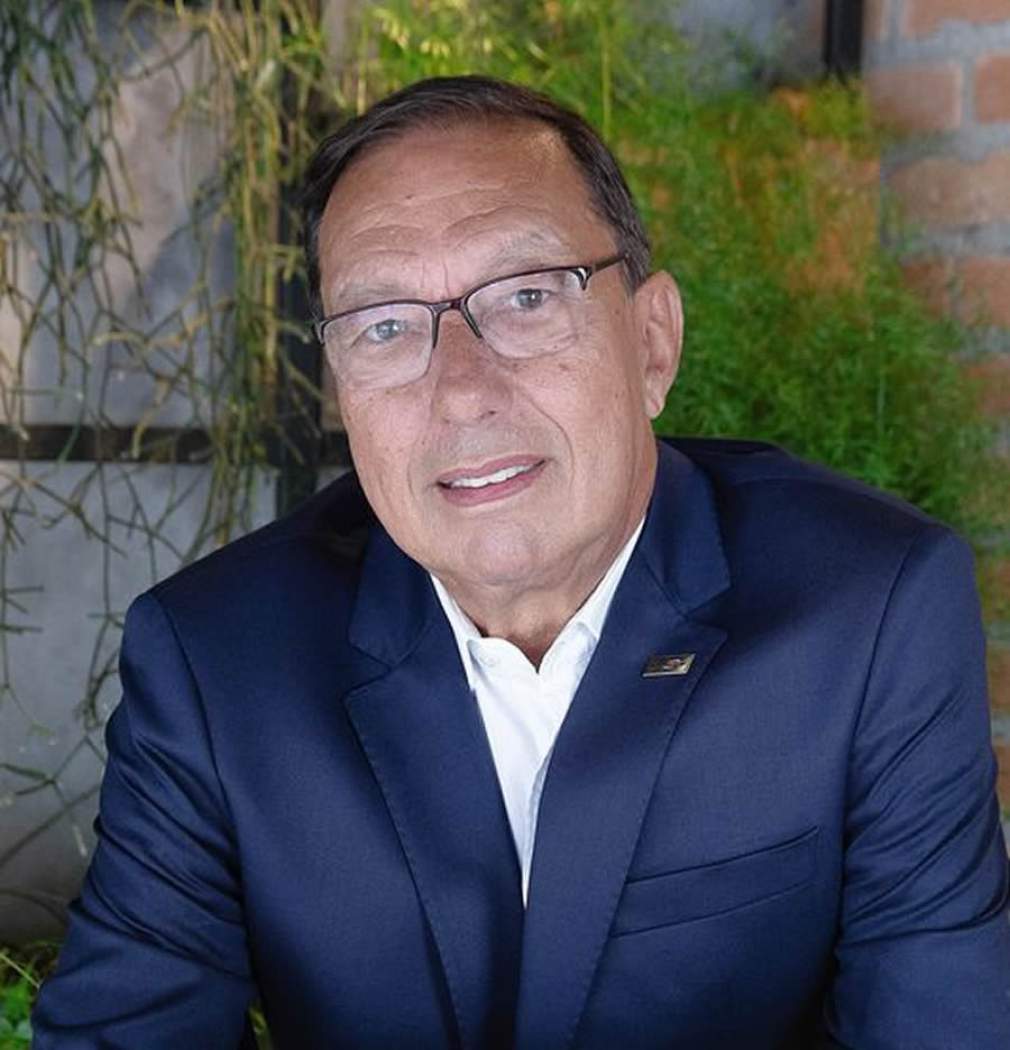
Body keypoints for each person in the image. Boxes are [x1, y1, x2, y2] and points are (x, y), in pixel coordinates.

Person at [33, 75, 1010, 1049]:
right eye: (384, 326)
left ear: (652, 344)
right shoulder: (217, 661)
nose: (460, 390)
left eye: (527, 297)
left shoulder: (870, 611)